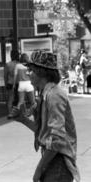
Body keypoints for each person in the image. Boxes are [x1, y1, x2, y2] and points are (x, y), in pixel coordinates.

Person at [13, 50, 80, 182]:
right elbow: (46, 132)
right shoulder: (45, 94)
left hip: (58, 163)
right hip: (52, 160)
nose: (28, 73)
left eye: (31, 70)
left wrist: (38, 170)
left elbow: (56, 139)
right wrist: (23, 120)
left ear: (41, 72)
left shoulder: (54, 95)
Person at [7, 53, 36, 118]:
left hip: (21, 84)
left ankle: (16, 113)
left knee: (21, 101)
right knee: (33, 102)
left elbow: (15, 76)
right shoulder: (29, 66)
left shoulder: (18, 65)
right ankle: (33, 113)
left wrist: (14, 85)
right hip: (29, 84)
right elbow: (32, 75)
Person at [4, 49, 19, 115]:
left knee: (10, 99)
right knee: (19, 98)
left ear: (11, 56)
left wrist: (5, 84)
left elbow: (5, 75)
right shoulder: (19, 64)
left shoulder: (8, 64)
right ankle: (18, 113)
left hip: (10, 83)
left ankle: (10, 113)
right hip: (18, 83)